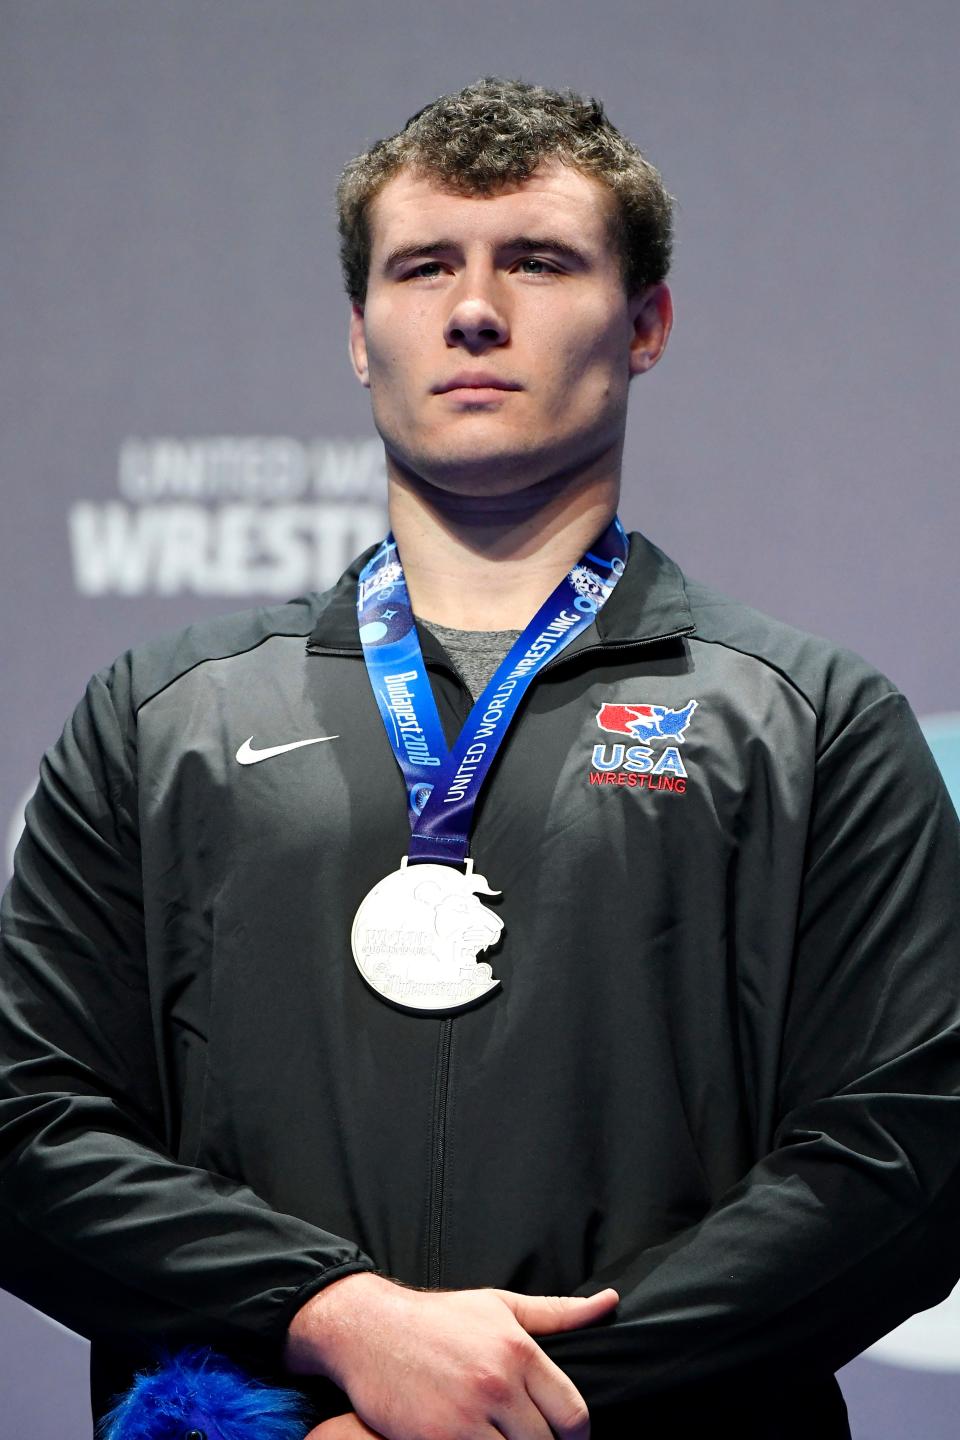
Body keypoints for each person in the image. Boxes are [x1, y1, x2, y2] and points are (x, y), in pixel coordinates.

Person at [1, 76, 959, 1440]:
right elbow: (26, 1123)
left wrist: (505, 1408)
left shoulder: (810, 721)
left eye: (540, 261)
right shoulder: (161, 715)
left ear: (648, 326)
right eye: (423, 265)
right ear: (358, 331)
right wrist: (334, 1318)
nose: (472, 308)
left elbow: (905, 1157)